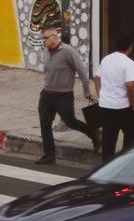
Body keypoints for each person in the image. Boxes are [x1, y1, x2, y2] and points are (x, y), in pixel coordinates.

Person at [35, 26, 100, 166]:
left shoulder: (67, 51)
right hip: (47, 94)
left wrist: (86, 89)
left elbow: (81, 69)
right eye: (42, 38)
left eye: (46, 38)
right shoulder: (46, 52)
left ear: (55, 36)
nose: (44, 41)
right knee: (45, 122)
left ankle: (93, 134)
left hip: (63, 95)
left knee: (70, 121)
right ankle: (49, 154)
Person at [95, 36, 134, 162]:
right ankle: (125, 161)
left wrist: (101, 95)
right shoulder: (128, 63)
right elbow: (130, 86)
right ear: (129, 47)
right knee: (131, 135)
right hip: (123, 106)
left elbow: (97, 78)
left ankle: (107, 164)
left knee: (108, 138)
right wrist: (133, 105)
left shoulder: (106, 59)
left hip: (106, 106)